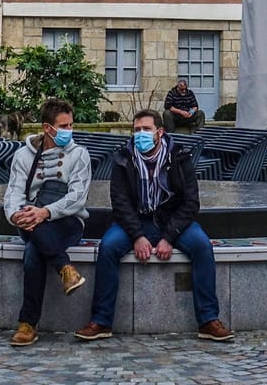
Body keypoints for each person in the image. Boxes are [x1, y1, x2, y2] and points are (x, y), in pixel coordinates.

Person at [76, 109, 233, 343]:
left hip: (172, 221)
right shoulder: (123, 159)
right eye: (137, 130)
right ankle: (101, 321)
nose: (140, 134)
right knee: (108, 247)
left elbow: (191, 202)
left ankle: (209, 320)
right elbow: (119, 202)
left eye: (146, 129)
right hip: (136, 221)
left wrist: (169, 236)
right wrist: (138, 236)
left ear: (159, 132)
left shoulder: (179, 157)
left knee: (201, 246)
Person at [4, 98, 94, 346]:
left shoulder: (79, 154)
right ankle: (65, 269)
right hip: (31, 220)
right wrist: (16, 215)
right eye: (63, 126)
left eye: (71, 125)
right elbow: (13, 192)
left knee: (34, 249)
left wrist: (44, 213)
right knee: (35, 243)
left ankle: (27, 324)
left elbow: (78, 198)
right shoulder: (24, 155)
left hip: (67, 221)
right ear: (47, 127)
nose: (69, 131)